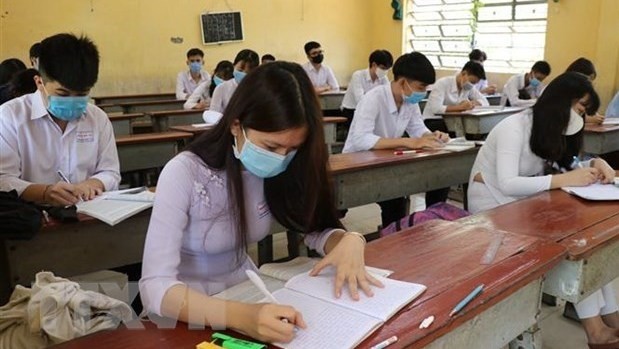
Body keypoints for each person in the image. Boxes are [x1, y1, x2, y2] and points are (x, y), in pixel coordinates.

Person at [139, 61, 382, 344]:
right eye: (271, 147)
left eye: (292, 149)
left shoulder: (282, 166)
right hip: (184, 311)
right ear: (236, 125)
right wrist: (240, 316)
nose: (281, 157)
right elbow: (155, 286)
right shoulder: (184, 172)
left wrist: (348, 240)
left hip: (247, 293)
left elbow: (315, 228)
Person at [467, 72, 617, 348]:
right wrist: (562, 180)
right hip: (491, 205)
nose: (581, 117)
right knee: (574, 244)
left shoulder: (552, 128)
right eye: (580, 109)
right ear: (561, 102)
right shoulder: (514, 127)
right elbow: (508, 182)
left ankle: (612, 316)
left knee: (589, 245)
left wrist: (596, 164)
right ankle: (595, 330)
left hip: (528, 202)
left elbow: (564, 169)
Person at [0, 33, 120, 206]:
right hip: (30, 218)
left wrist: (93, 184)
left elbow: (110, 171)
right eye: (63, 94)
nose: (72, 100)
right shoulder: (9, 117)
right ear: (39, 82)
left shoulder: (97, 118)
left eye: (82, 94)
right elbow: (3, 179)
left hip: (88, 214)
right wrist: (45, 193)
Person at [342, 52, 449, 228]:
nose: (422, 93)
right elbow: (361, 139)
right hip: (356, 164)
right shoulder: (373, 98)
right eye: (421, 87)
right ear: (402, 82)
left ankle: (425, 229)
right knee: (393, 197)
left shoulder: (409, 101)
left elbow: (417, 128)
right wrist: (408, 142)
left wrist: (433, 135)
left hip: (386, 160)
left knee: (437, 181)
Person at [422, 60, 488, 206]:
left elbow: (485, 102)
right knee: (452, 151)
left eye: (474, 83)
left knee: (472, 142)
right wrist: (458, 107)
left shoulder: (468, 88)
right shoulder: (443, 83)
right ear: (463, 74)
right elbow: (435, 108)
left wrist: (474, 103)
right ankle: (445, 180)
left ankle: (463, 179)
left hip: (454, 126)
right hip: (433, 124)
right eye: (471, 81)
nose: (471, 85)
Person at [340, 50, 393, 124]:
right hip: (352, 110)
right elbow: (360, 100)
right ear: (374, 65)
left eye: (388, 69)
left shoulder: (383, 78)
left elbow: (388, 96)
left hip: (372, 110)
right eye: (383, 68)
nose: (385, 72)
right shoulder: (358, 75)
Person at [208, 49, 259, 113]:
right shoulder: (221, 88)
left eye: (248, 72)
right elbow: (213, 114)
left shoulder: (259, 89)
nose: (244, 74)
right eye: (240, 69)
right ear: (234, 65)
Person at [565, 57, 604, 124]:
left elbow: (588, 109)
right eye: (589, 79)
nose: (590, 83)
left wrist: (595, 115)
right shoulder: (563, 89)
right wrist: (587, 119)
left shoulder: (583, 92)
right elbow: (561, 115)